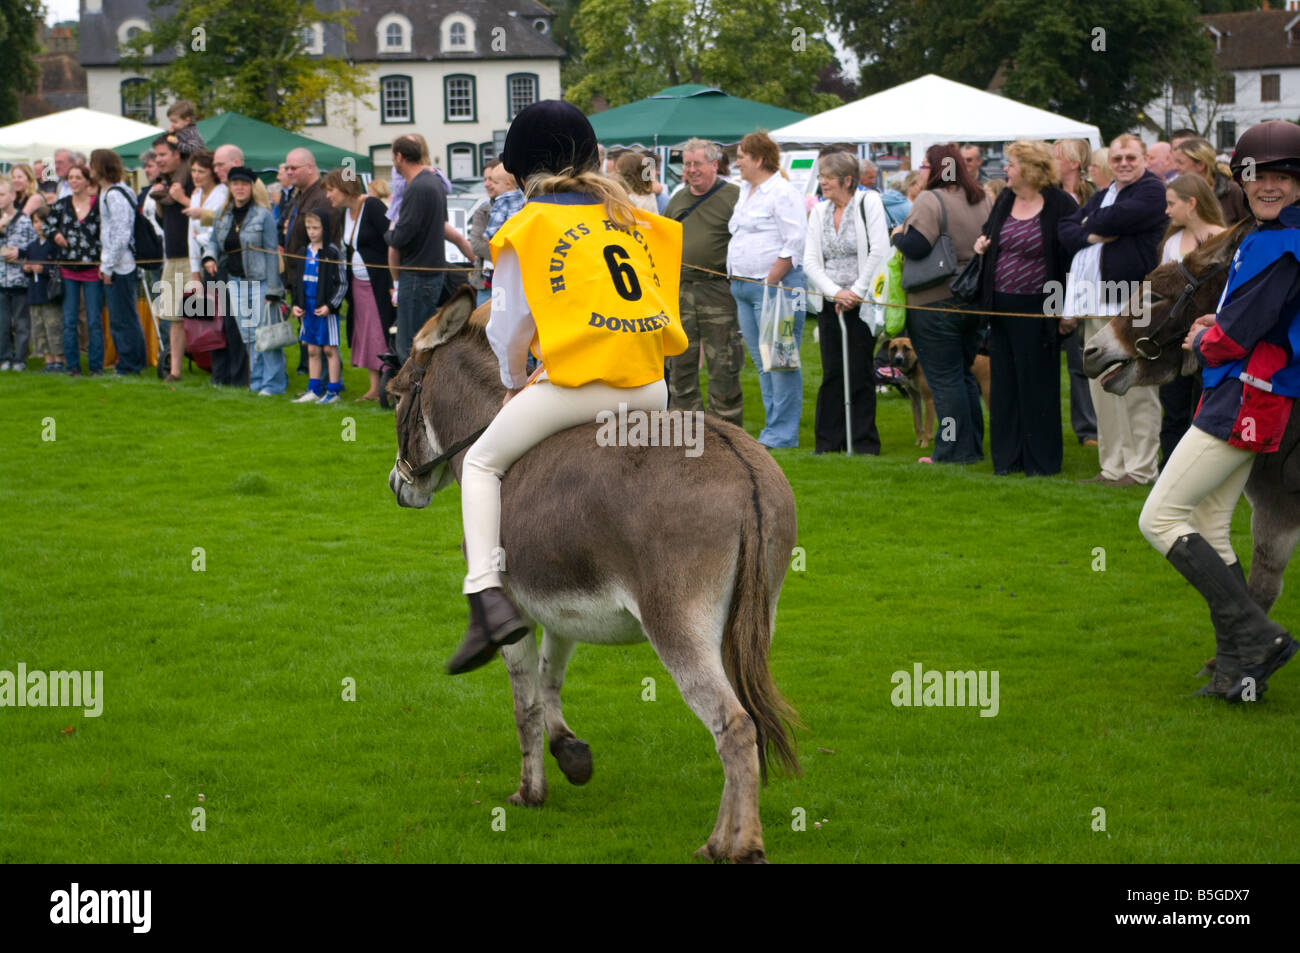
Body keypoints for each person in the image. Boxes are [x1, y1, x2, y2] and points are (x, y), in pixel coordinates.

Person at [447, 99, 687, 674]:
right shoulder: (633, 218)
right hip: (654, 387)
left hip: (583, 386)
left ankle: (485, 598)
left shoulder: (528, 226)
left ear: (524, 168)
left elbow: (507, 329)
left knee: (480, 464)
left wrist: (511, 385)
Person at [1138, 121, 1300, 701]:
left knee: (1157, 518)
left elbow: (1243, 330)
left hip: (1246, 395)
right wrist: (1217, 325)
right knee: (1209, 524)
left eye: (1283, 176)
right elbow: (1251, 317)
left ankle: (1257, 639)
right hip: (1249, 391)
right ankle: (1239, 665)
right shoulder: (1270, 234)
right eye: (1259, 176)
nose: (1269, 186)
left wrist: (1207, 337)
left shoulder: (1283, 243)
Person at [1060, 134, 1168, 486]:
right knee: (1102, 385)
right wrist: (1093, 232)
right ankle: (1113, 467)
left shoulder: (1151, 191)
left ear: (1144, 160)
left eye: (1130, 158)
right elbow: (1064, 230)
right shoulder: (1106, 194)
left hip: (1134, 301)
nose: (1123, 163)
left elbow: (1117, 219)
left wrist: (1091, 224)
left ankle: (1140, 470)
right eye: (1117, 158)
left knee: (1135, 386)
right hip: (1097, 301)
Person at [971, 140, 1078, 476]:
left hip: (1039, 308)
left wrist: (1065, 309)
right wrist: (981, 244)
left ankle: (1041, 460)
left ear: (1032, 169)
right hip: (1001, 307)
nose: (1006, 170)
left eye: (1012, 164)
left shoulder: (1060, 203)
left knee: (1038, 383)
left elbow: (1072, 258)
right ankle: (1007, 458)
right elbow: (990, 235)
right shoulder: (1005, 198)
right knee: (1004, 384)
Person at [892, 142, 992, 464]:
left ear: (936, 168)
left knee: (944, 381)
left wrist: (896, 235)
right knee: (962, 376)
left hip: (935, 302)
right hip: (973, 301)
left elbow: (917, 246)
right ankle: (971, 447)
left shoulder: (930, 199)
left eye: (924, 164)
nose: (921, 170)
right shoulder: (982, 199)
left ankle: (949, 449)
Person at [803, 150, 890, 454]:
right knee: (832, 373)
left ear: (847, 180)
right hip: (831, 302)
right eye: (821, 176)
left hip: (862, 303)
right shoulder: (818, 212)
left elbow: (879, 249)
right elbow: (810, 261)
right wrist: (833, 292)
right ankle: (828, 442)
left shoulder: (870, 203)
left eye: (827, 176)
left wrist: (856, 291)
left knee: (860, 371)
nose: (822, 182)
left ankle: (864, 442)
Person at [727, 131, 808, 449]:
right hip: (743, 288)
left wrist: (771, 280)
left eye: (741, 156)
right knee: (764, 362)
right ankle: (773, 429)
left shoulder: (783, 192)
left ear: (759, 159)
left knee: (781, 360)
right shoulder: (746, 190)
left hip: (775, 287)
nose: (738, 162)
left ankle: (783, 434)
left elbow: (794, 241)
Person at [664, 137, 744, 427]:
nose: (691, 170)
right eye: (687, 164)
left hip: (718, 291)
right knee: (680, 366)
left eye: (697, 163)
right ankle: (686, 431)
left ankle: (727, 433)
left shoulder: (735, 197)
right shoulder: (677, 199)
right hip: (681, 292)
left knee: (724, 364)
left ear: (714, 164)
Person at [1156, 174, 1227, 468]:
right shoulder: (1172, 242)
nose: (1167, 211)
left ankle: (1201, 472)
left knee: (1205, 407)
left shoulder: (1224, 239)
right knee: (1173, 407)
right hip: (1175, 338)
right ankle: (1169, 469)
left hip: (1211, 337)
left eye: (1172, 204)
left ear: (1192, 203)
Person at [201, 166, 285, 395]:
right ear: (229, 186)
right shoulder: (222, 213)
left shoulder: (263, 215)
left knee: (265, 334)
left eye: (244, 183)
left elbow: (271, 252)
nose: (239, 187)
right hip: (235, 281)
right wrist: (209, 257)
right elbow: (213, 243)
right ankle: (256, 381)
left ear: (251, 187)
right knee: (248, 335)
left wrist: (274, 289)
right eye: (235, 183)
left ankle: (273, 384)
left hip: (260, 281)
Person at [323, 167, 392, 401]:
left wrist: (394, 280)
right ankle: (374, 387)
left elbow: (391, 241)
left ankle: (388, 385)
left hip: (380, 283)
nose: (328, 195)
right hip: (358, 283)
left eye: (331, 190)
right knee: (365, 332)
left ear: (345, 188)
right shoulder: (345, 213)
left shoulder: (372, 206)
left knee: (381, 332)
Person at [384, 135, 448, 362]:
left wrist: (388, 233)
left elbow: (402, 235)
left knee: (411, 347)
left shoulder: (418, 187)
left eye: (393, 156)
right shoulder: (434, 182)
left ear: (399, 156)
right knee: (423, 343)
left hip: (418, 276)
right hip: (430, 273)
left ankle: (415, 397)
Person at [89, 149, 146, 376]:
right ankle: (131, 362)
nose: (89, 168)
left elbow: (121, 232)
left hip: (122, 264)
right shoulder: (114, 191)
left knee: (123, 318)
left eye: (92, 164)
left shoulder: (114, 193)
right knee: (123, 316)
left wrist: (108, 265)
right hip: (117, 262)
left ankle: (130, 365)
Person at [48, 162, 103, 377]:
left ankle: (96, 366)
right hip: (68, 270)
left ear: (87, 181)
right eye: (70, 177)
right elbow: (47, 225)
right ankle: (73, 366)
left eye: (78, 177)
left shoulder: (98, 204)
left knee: (93, 320)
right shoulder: (61, 205)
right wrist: (56, 236)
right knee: (69, 320)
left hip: (92, 269)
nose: (73, 181)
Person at [148, 133, 194, 382]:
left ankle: (211, 366)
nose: (159, 160)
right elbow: (165, 223)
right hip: (173, 257)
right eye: (156, 155)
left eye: (163, 154)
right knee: (174, 316)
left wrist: (181, 198)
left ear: (178, 155)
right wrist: (159, 201)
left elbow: (202, 216)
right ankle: (175, 371)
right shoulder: (164, 181)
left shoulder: (191, 180)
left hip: (193, 257)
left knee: (201, 315)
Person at [290, 208, 347, 404]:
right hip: (308, 309)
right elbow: (297, 283)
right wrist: (296, 304)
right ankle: (313, 390)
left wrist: (330, 306)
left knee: (329, 350)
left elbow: (342, 283)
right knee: (312, 350)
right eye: (308, 228)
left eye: (316, 227)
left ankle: (333, 392)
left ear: (325, 228)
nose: (312, 232)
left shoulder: (332, 252)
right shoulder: (303, 252)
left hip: (325, 311)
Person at [0, 178, 37, 371]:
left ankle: (20, 358)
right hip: (1, 280)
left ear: (12, 196)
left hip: (19, 280)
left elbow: (32, 246)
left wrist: (20, 254)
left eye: (2, 194)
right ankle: (4, 357)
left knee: (22, 322)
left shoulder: (23, 220)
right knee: (2, 323)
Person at [22, 204, 64, 372]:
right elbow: (25, 263)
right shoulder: (31, 246)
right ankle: (48, 361)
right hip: (34, 293)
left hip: (50, 294)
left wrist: (44, 270)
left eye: (42, 222)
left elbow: (59, 268)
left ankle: (59, 360)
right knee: (39, 329)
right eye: (36, 222)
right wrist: (26, 269)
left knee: (53, 326)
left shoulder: (54, 246)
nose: (39, 225)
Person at [1172, 137, 1249, 225]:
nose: (1174, 167)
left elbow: (1249, 227)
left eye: (1180, 163)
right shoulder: (1177, 193)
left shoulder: (1231, 191)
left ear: (1200, 165)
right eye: (1175, 162)